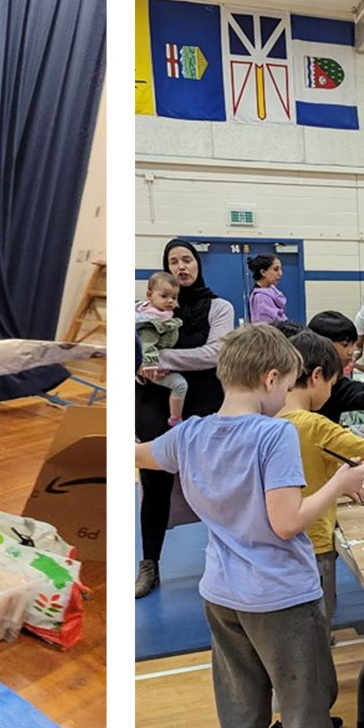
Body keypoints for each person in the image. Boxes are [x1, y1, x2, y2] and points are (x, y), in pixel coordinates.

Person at [135, 324, 364, 728]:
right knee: (306, 714)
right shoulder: (272, 435)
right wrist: (339, 486)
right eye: (285, 387)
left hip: (223, 597)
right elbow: (286, 521)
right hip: (282, 597)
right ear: (270, 378)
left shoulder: (191, 435)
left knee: (240, 713)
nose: (285, 397)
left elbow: (137, 454)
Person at [268, 330, 364, 728]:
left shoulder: (269, 421)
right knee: (312, 647)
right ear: (318, 376)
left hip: (278, 549)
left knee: (290, 647)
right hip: (313, 548)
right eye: (333, 384)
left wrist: (337, 487)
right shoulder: (311, 423)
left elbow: (301, 476)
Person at [136, 239, 236, 599]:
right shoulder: (144, 308)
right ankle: (149, 565)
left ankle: (227, 559)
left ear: (198, 264)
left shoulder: (218, 307)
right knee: (155, 483)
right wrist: (136, 365)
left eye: (187, 260)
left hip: (204, 402)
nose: (182, 267)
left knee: (215, 484)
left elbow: (216, 352)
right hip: (154, 404)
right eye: (173, 261)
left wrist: (161, 359)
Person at [136, 272, 190, 426]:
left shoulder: (159, 314)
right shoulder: (149, 320)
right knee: (180, 385)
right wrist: (150, 365)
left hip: (156, 363)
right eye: (164, 296)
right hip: (150, 367)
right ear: (149, 295)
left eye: (174, 297)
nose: (170, 301)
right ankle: (175, 418)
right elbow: (146, 344)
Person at [247, 254, 286, 324]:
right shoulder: (261, 297)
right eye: (276, 269)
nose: (280, 273)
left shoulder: (273, 291)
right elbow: (265, 329)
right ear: (263, 272)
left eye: (280, 269)